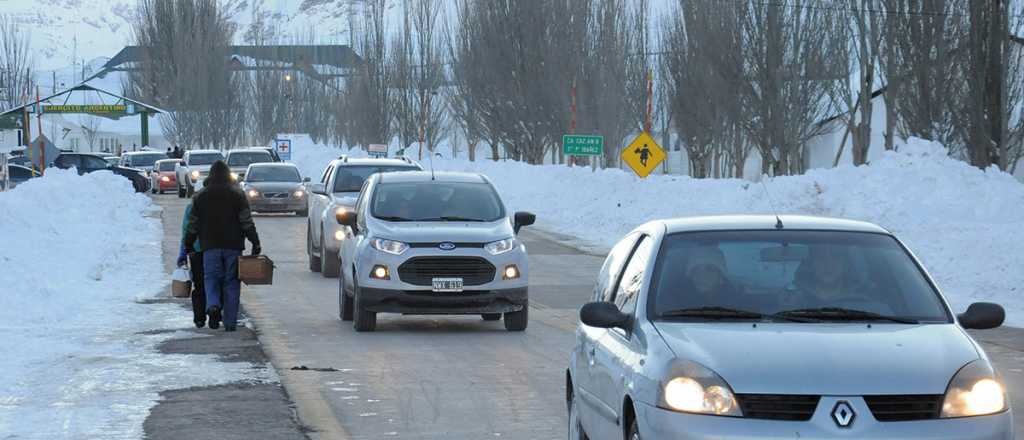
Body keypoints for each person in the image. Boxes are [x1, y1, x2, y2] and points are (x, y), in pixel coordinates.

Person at [184, 160, 261, 332]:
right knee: (231, 282)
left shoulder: (200, 197)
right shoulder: (238, 195)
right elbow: (246, 222)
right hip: (233, 246)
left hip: (209, 246)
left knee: (211, 278)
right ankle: (230, 322)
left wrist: (188, 244)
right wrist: (255, 242)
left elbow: (193, 225)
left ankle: (213, 305)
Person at [177, 201, 211, 328]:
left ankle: (199, 318)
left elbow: (186, 231)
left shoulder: (191, 207)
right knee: (215, 282)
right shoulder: (221, 203)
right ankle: (214, 310)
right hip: (213, 248)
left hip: (195, 250)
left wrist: (182, 253)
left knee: (199, 284)